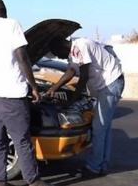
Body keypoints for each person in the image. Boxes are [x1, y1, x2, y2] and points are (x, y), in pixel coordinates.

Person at [0, 0, 51, 186]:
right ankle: (33, 180)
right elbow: (23, 57)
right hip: (12, 93)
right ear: (4, 10)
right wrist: (34, 86)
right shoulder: (12, 25)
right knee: (21, 140)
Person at [46, 37, 124, 177]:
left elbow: (84, 75)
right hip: (108, 85)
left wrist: (73, 100)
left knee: (99, 128)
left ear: (61, 46)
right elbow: (70, 72)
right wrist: (54, 88)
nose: (59, 57)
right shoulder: (74, 51)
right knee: (104, 128)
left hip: (110, 84)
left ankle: (94, 167)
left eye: (58, 54)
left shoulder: (80, 45)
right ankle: (102, 165)